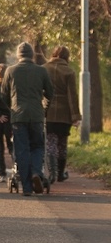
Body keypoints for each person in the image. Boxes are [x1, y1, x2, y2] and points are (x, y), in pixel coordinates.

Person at [1, 42, 54, 196]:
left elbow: (4, 94)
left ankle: (27, 187)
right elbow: (50, 93)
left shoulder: (11, 71)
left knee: (22, 150)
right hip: (37, 115)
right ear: (32, 55)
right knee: (37, 146)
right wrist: (44, 108)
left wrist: (12, 107)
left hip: (18, 116)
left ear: (18, 55)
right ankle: (36, 173)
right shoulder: (41, 71)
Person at [44, 46, 81, 183]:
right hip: (64, 113)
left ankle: (52, 173)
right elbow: (72, 95)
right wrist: (75, 117)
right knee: (62, 143)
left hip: (47, 111)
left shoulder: (44, 68)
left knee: (50, 142)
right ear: (67, 57)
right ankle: (60, 174)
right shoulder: (69, 71)